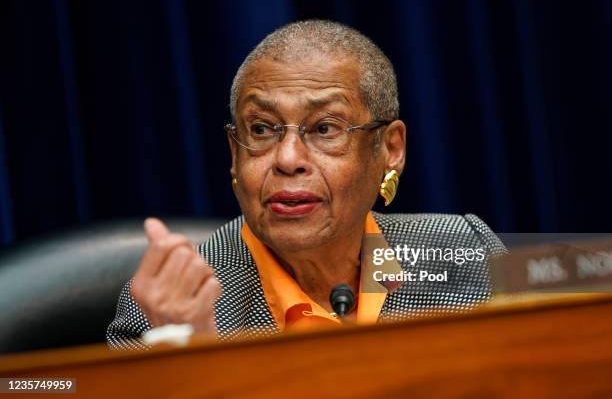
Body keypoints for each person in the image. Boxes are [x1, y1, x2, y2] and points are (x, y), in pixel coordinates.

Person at [107, 20, 505, 349]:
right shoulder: (168, 310)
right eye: (261, 129)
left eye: (325, 128)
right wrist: (194, 354)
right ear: (234, 152)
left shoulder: (465, 248)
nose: (287, 159)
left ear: (391, 148)